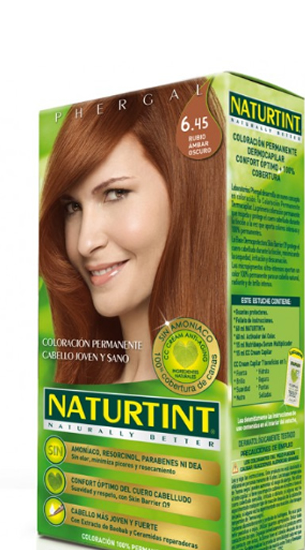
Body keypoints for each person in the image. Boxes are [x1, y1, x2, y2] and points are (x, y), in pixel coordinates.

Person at [39, 79, 226, 384]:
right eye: (72, 207)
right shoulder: (78, 398)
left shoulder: (230, 399)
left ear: (185, 194)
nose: (85, 242)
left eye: (115, 193)